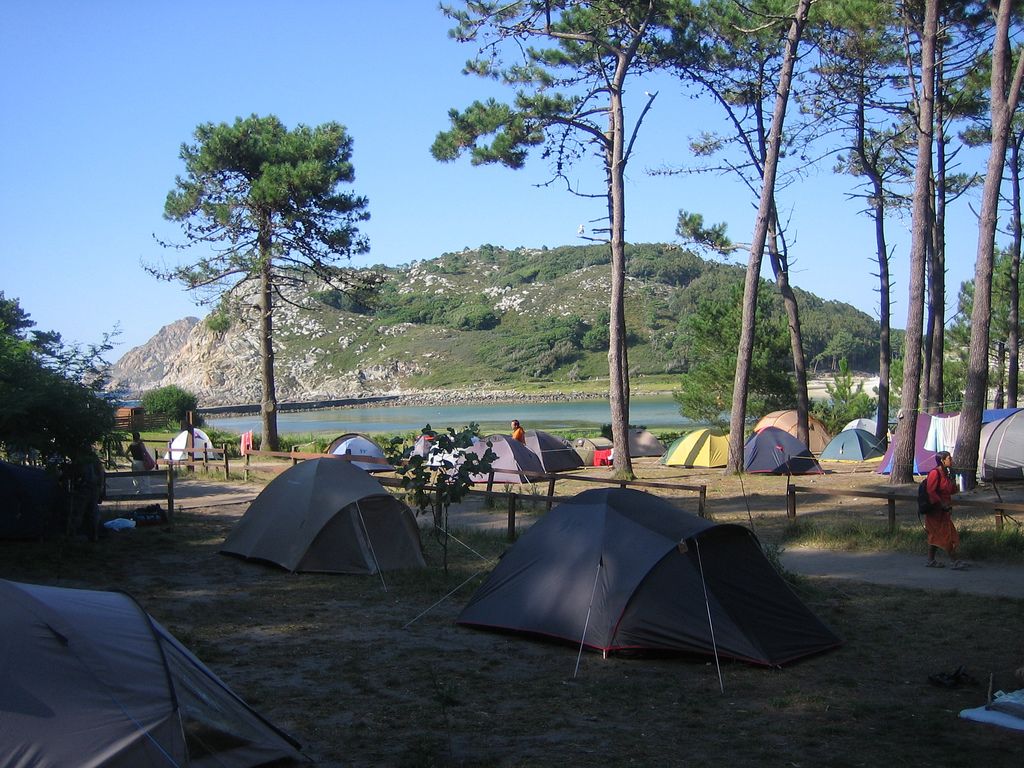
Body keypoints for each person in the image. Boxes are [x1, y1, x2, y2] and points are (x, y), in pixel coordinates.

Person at [923, 451, 964, 569]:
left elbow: (950, 490)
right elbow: (931, 491)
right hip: (935, 511)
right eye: (949, 458)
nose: (951, 460)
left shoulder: (945, 473)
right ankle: (954, 561)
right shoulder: (934, 473)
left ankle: (930, 560)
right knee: (946, 535)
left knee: (937, 536)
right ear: (942, 460)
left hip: (945, 511)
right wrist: (942, 504)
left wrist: (954, 481)